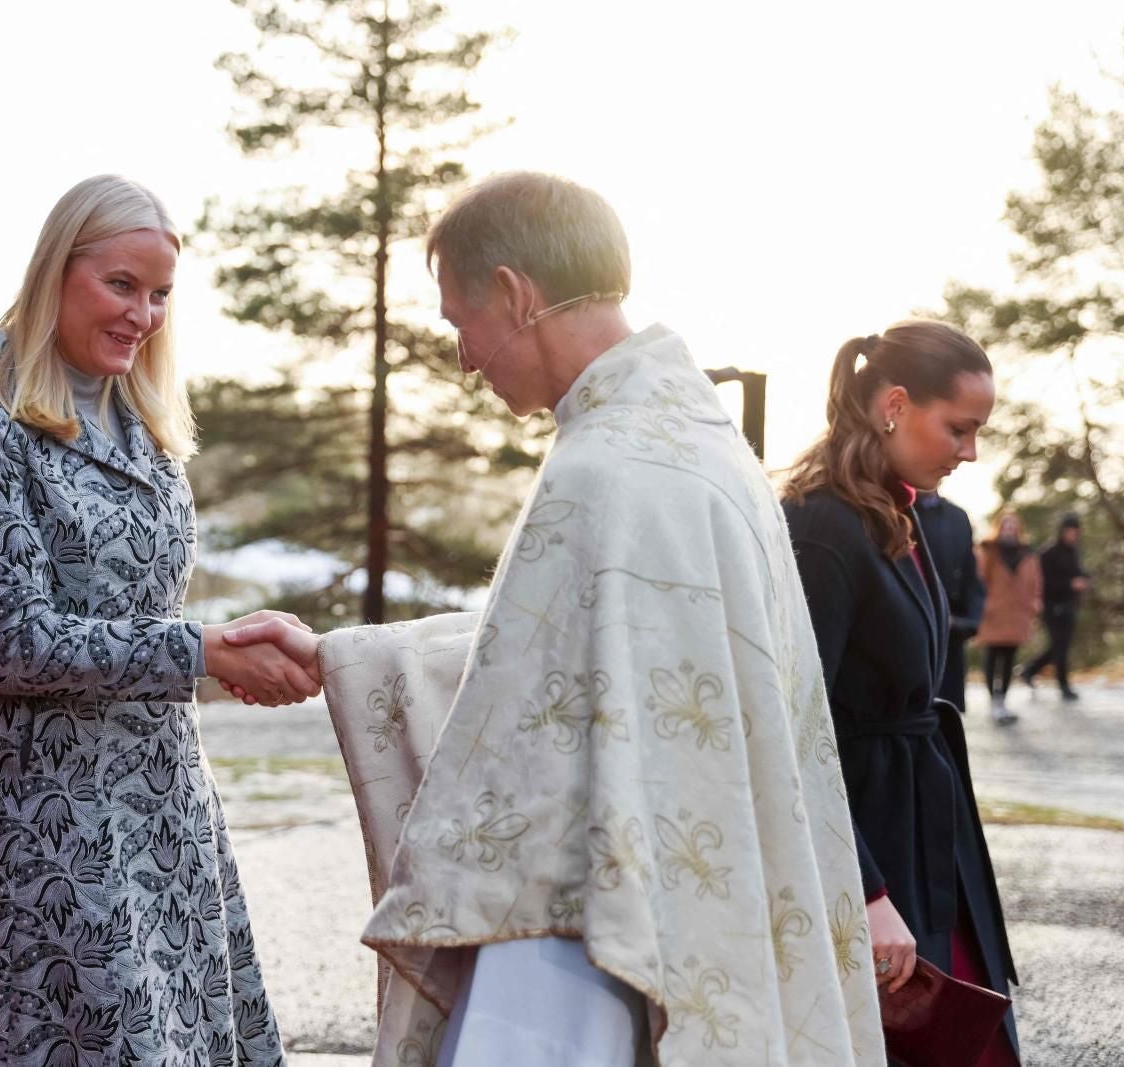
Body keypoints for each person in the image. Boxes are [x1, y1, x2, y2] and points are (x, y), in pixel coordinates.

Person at [229, 173, 884, 1065]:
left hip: (581, 929)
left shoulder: (605, 470)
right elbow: (561, 658)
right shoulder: (695, 444)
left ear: (514, 292)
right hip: (677, 897)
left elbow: (542, 684)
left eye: (462, 320)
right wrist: (340, 655)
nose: (465, 357)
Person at [0, 175, 315, 1066]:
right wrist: (204, 650)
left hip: (164, 809)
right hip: (42, 824)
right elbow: (12, 640)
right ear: (56, 272)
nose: (144, 314)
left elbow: (140, 612)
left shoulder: (148, 426)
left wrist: (223, 639)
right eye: (121, 284)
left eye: (160, 294)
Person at [782, 322, 1020, 1065]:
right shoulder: (822, 523)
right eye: (959, 428)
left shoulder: (892, 507)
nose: (970, 451)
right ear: (893, 404)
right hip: (874, 835)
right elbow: (793, 722)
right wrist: (865, 889)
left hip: (923, 824)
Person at [914, 490, 984, 716]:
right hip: (907, 635)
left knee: (945, 717)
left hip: (949, 634)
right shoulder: (889, 510)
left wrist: (970, 621)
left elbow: (970, 577)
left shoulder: (957, 517)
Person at [976, 512, 1041, 725]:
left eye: (1014, 526)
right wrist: (982, 606)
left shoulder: (1027, 554)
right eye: (1006, 526)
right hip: (993, 612)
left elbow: (1036, 582)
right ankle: (993, 701)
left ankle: (1002, 700)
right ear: (999, 527)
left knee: (1009, 657)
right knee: (993, 656)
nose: (1010, 530)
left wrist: (1034, 604)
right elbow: (978, 580)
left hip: (1017, 614)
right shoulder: (988, 550)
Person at [1022, 512, 1089, 701]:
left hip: (1070, 605)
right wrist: (1069, 584)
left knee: (1060, 646)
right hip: (1052, 606)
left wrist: (1085, 579)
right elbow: (1043, 582)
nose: (1073, 535)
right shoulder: (1048, 552)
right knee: (1060, 646)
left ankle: (1029, 670)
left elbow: (1079, 572)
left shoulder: (1074, 551)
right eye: (1070, 531)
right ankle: (1064, 685)